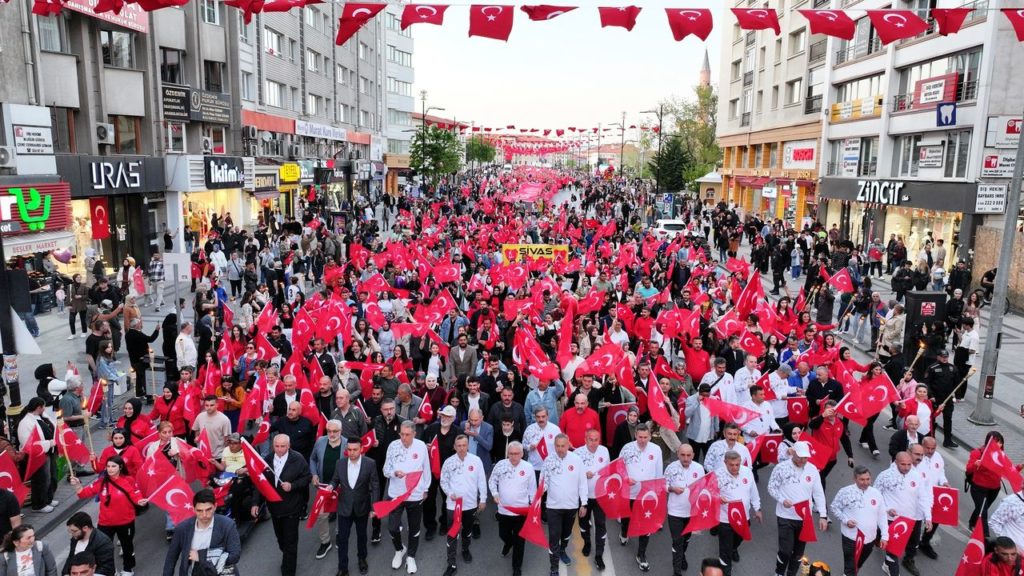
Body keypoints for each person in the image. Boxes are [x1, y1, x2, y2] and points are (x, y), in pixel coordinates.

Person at [70, 456, 146, 576]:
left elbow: (136, 495)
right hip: (105, 523)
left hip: (126, 521)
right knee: (104, 549)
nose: (110, 469)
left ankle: (128, 568)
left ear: (120, 467)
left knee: (127, 547)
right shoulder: (101, 481)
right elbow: (83, 493)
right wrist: (77, 485)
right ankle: (111, 570)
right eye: (108, 466)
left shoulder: (129, 480)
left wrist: (140, 501)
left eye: (113, 466)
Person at [250, 435, 312, 576]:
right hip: (275, 508)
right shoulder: (267, 460)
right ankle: (288, 558)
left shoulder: (298, 459)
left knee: (290, 543)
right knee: (281, 540)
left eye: (283, 446)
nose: (279, 449)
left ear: (289, 446)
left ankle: (288, 570)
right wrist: (255, 503)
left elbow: (307, 477)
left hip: (292, 508)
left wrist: (293, 485)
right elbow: (261, 484)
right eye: (276, 446)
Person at [767, 441, 828, 576]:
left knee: (798, 553)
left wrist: (823, 515)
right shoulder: (781, 468)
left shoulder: (812, 469)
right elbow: (771, 487)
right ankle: (779, 572)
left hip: (804, 518)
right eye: (800, 457)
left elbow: (818, 493)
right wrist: (782, 500)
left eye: (805, 457)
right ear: (793, 453)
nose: (802, 460)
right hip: (785, 515)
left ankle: (791, 573)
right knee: (786, 551)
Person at [382, 420, 431, 574]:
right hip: (396, 494)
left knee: (414, 528)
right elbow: (385, 469)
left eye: (407, 435)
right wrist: (394, 473)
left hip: (415, 494)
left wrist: (426, 488)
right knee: (392, 527)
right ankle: (399, 550)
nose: (404, 438)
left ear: (414, 434)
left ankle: (411, 557)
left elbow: (426, 468)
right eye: (402, 434)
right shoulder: (393, 446)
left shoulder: (421, 446)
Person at [875, 451, 932, 576]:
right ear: (895, 462)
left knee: (894, 547)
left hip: (907, 520)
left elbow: (923, 497)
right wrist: (887, 509)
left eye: (909, 464)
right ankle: (892, 570)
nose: (906, 467)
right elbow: (875, 496)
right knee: (893, 550)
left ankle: (886, 563)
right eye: (903, 464)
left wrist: (928, 516)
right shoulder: (884, 476)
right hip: (890, 518)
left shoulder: (916, 476)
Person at [329, 437, 379, 576]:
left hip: (362, 507)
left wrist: (374, 508)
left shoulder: (370, 464)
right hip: (344, 507)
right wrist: (331, 486)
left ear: (361, 449)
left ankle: (362, 559)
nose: (352, 453)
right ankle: (342, 568)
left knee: (362, 536)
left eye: (355, 450)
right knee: (342, 538)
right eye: (349, 450)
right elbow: (335, 479)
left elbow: (375, 486)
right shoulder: (340, 463)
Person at [163, 489, 241, 576]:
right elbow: (171, 558)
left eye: (208, 509)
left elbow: (235, 555)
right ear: (194, 509)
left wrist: (201, 557)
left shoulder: (227, 525)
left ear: (215, 506)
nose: (204, 515)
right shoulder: (182, 529)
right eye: (199, 510)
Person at [439, 435, 488, 576]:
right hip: (453, 505)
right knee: (452, 533)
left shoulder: (476, 461)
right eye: (458, 445)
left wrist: (483, 499)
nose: (461, 448)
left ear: (468, 446)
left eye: (464, 445)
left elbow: (481, 482)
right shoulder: (448, 462)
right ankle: (451, 564)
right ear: (454, 447)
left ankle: (465, 549)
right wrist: (449, 493)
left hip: (471, 504)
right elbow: (443, 481)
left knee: (467, 531)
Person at [541, 434, 588, 576]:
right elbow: (543, 482)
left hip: (571, 506)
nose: (560, 449)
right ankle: (554, 567)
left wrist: (584, 503)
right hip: (553, 507)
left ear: (568, 445)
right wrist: (540, 491)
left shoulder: (577, 460)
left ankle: (563, 550)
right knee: (554, 537)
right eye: (558, 446)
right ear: (554, 446)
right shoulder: (548, 461)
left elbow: (582, 483)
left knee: (566, 533)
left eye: (563, 446)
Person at [618, 423, 663, 572]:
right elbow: (618, 467)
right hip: (629, 492)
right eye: (640, 437)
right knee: (627, 518)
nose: (643, 440)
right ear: (635, 435)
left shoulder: (656, 450)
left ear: (649, 436)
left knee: (646, 526)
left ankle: (641, 555)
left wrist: (657, 493)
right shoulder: (627, 448)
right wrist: (625, 478)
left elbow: (659, 472)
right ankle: (624, 532)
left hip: (647, 495)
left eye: (645, 437)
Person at [830, 466, 889, 576]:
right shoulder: (845, 492)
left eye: (868, 479)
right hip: (851, 537)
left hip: (870, 538)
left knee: (858, 565)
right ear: (854, 479)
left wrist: (885, 536)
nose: (866, 482)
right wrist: (846, 520)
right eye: (862, 479)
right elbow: (834, 507)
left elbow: (882, 515)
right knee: (850, 567)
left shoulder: (876, 494)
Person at [489, 442, 536, 576]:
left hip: (522, 511)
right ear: (507, 453)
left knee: (520, 541)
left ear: (522, 454)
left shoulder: (528, 468)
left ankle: (517, 568)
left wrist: (533, 506)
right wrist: (495, 494)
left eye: (516, 454)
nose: (514, 456)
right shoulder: (500, 465)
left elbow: (532, 489)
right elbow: (492, 481)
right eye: (511, 453)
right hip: (504, 510)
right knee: (503, 534)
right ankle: (508, 543)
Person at [716, 451, 761, 576]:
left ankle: (734, 547)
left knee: (738, 538)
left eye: (737, 464)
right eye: (731, 465)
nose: (735, 467)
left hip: (743, 517)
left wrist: (757, 509)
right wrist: (718, 498)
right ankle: (726, 571)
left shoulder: (747, 472)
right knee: (725, 550)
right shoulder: (717, 474)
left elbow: (753, 491)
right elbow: (710, 493)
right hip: (725, 518)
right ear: (725, 463)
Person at [665, 443, 706, 576]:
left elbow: (703, 488)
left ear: (693, 455)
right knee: (677, 541)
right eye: (683, 455)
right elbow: (663, 485)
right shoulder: (671, 468)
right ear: (678, 454)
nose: (686, 458)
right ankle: (676, 571)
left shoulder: (699, 468)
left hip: (691, 512)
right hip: (675, 512)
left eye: (689, 455)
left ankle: (682, 555)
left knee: (686, 539)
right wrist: (671, 488)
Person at [309, 420, 346, 560]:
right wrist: (314, 474)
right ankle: (325, 542)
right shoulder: (320, 441)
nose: (331, 434)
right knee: (322, 515)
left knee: (341, 513)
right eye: (329, 431)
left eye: (335, 431)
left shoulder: (347, 445)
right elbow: (312, 459)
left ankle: (339, 535)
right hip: (324, 486)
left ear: (340, 431)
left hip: (342, 487)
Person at [968, 431, 1015, 537]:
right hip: (979, 488)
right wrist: (976, 464)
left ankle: (972, 522)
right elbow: (968, 469)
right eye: (996, 442)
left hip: (994, 489)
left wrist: (1019, 467)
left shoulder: (1000, 456)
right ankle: (984, 537)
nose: (999, 445)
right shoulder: (977, 453)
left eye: (1000, 442)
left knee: (982, 509)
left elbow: (1008, 471)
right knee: (983, 513)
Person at [17, 398, 58, 513]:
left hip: (49, 451)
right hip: (38, 455)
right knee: (41, 479)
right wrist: (48, 443)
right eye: (43, 407)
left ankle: (48, 498)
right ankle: (39, 504)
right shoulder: (25, 423)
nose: (45, 409)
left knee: (51, 477)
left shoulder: (42, 415)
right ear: (38, 407)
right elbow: (28, 444)